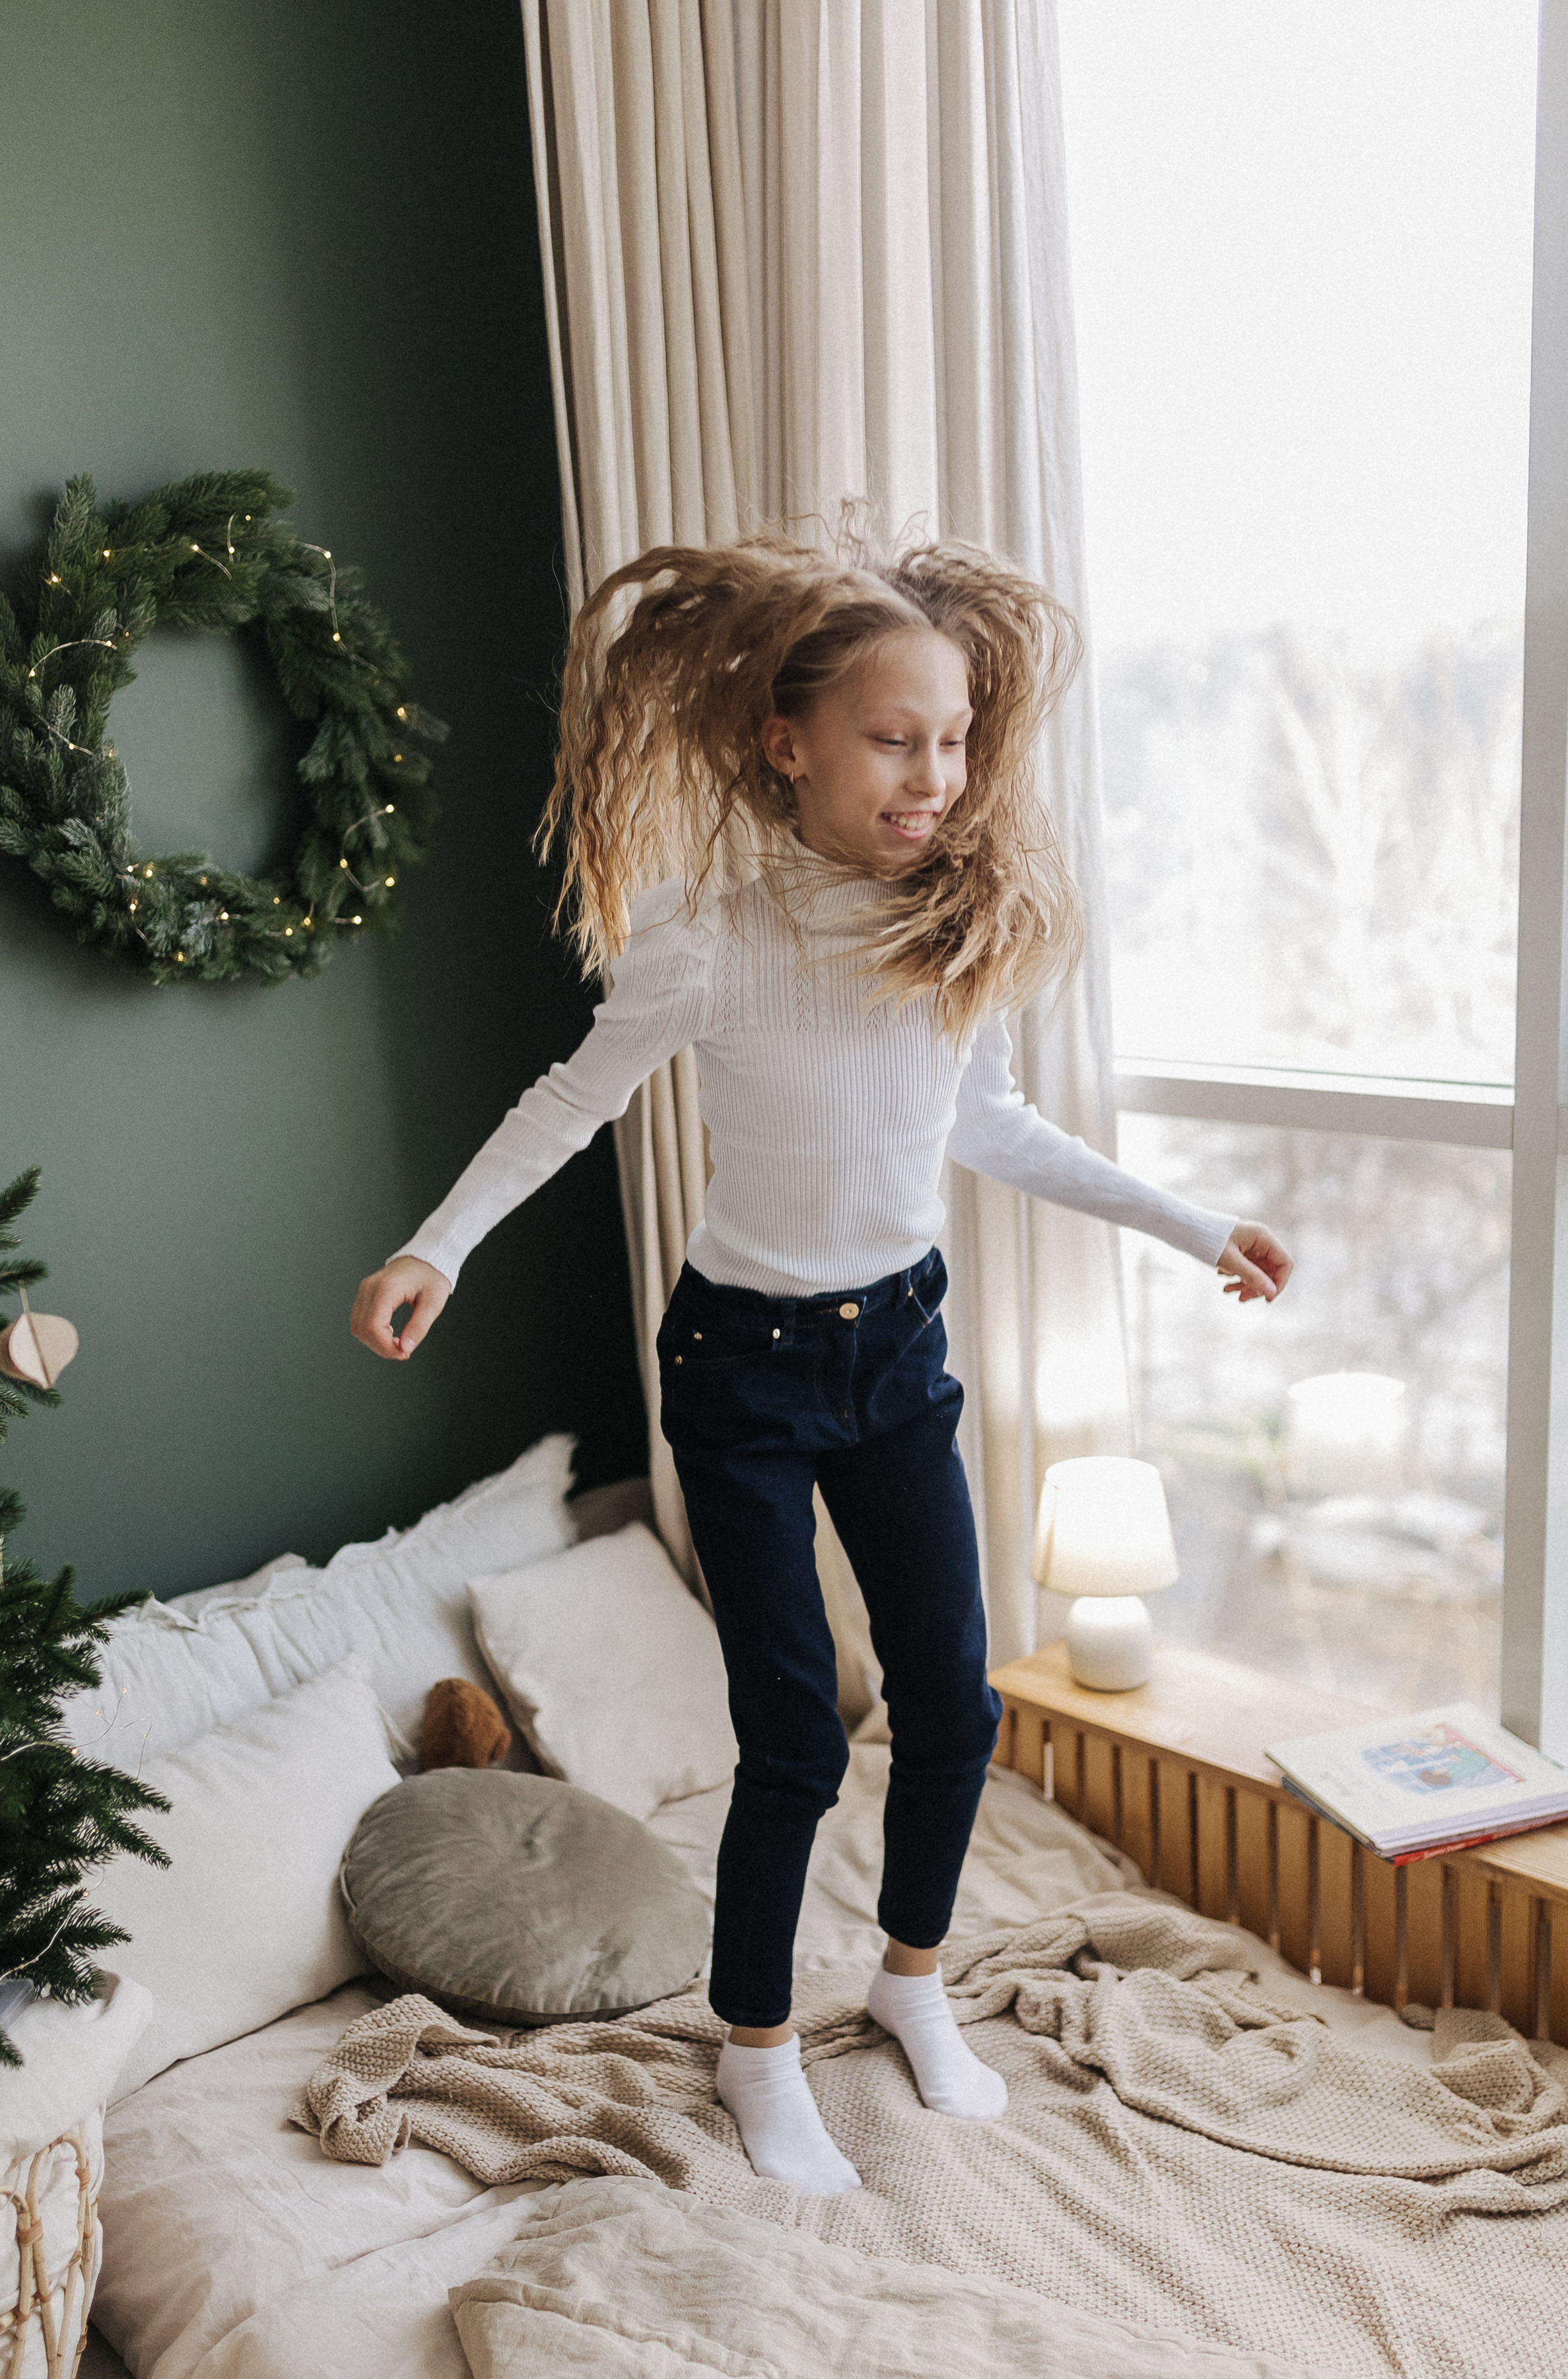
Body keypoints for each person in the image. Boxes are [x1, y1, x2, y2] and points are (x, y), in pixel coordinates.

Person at [351, 524, 1293, 2195]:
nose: (933, 774)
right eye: (892, 737)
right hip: (742, 1371)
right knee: (792, 1736)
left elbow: (988, 1126)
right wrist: (440, 1240)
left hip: (897, 1354)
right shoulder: (708, 939)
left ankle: (912, 1985)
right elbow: (571, 1100)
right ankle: (755, 2051)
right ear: (788, 743)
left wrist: (1188, 1223)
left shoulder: (952, 929)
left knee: (949, 1706)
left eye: (950, 739)